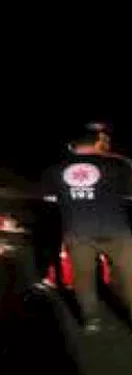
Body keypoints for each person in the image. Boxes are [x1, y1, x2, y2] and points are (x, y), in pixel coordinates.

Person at [43, 123, 132, 332]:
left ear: (72, 145)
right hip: (116, 230)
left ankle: (91, 319)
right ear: (98, 142)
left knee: (83, 277)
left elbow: (50, 200)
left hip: (77, 231)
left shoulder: (55, 169)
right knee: (130, 277)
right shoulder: (117, 166)